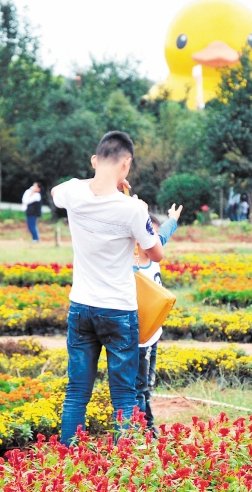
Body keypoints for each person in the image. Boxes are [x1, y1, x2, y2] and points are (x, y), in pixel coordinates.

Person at [52, 131, 163, 446]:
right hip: (118, 309)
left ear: (94, 160)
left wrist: (100, 182)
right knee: (125, 396)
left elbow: (55, 192)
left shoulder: (73, 191)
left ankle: (67, 460)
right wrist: (130, 201)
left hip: (81, 307)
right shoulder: (133, 209)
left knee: (76, 393)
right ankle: (124, 463)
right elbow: (155, 253)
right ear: (126, 165)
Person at [134, 204, 182, 435]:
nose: (153, 240)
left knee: (146, 386)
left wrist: (172, 218)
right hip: (138, 337)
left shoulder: (155, 256)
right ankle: (145, 430)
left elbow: (163, 234)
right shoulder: (129, 267)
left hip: (154, 335)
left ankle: (146, 428)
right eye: (147, 235)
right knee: (139, 387)